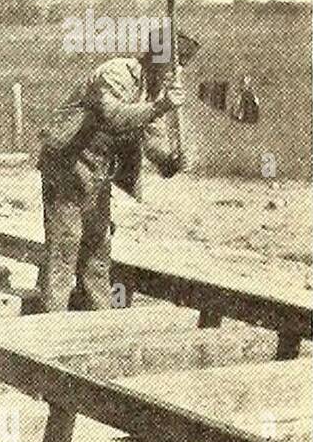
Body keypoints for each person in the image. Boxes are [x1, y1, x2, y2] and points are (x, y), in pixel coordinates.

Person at [36, 25, 196, 312]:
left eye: (180, 67)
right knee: (65, 247)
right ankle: (52, 321)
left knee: (98, 249)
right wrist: (159, 107)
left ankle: (99, 319)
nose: (175, 73)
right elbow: (111, 115)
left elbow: (154, 141)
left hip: (98, 174)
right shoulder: (117, 73)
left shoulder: (152, 90)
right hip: (68, 165)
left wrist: (172, 161)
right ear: (156, 57)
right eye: (173, 65)